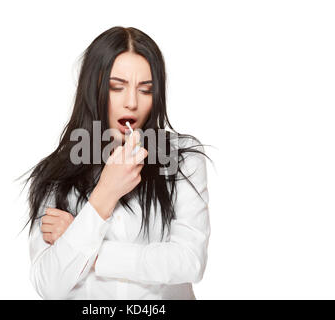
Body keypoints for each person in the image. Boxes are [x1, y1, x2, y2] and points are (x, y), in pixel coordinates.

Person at [21, 26, 212, 300]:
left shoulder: (182, 157)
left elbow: (189, 261)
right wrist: (105, 193)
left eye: (145, 90)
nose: (132, 102)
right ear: (93, 88)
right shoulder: (55, 174)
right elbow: (49, 285)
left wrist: (89, 248)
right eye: (116, 87)